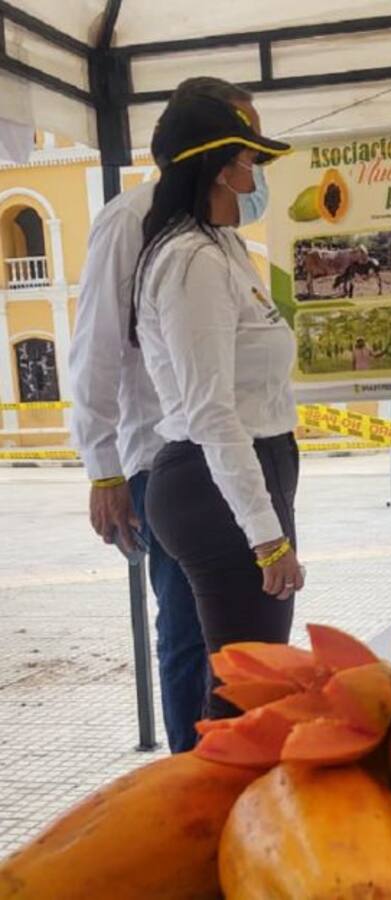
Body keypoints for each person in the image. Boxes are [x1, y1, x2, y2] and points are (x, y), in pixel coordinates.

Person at [68, 77, 260, 752]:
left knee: (239, 639)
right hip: (166, 457)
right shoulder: (131, 221)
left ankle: (234, 776)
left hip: (232, 461)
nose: (253, 169)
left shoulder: (220, 231)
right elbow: (94, 348)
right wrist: (103, 470)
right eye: (245, 149)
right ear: (208, 145)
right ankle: (192, 776)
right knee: (187, 632)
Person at [131, 92, 302, 721]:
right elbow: (210, 412)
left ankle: (229, 808)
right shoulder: (191, 262)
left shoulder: (223, 248)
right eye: (249, 160)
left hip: (244, 475)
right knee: (247, 695)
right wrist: (266, 537)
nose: (256, 176)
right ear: (221, 167)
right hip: (216, 487)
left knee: (251, 684)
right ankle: (218, 815)